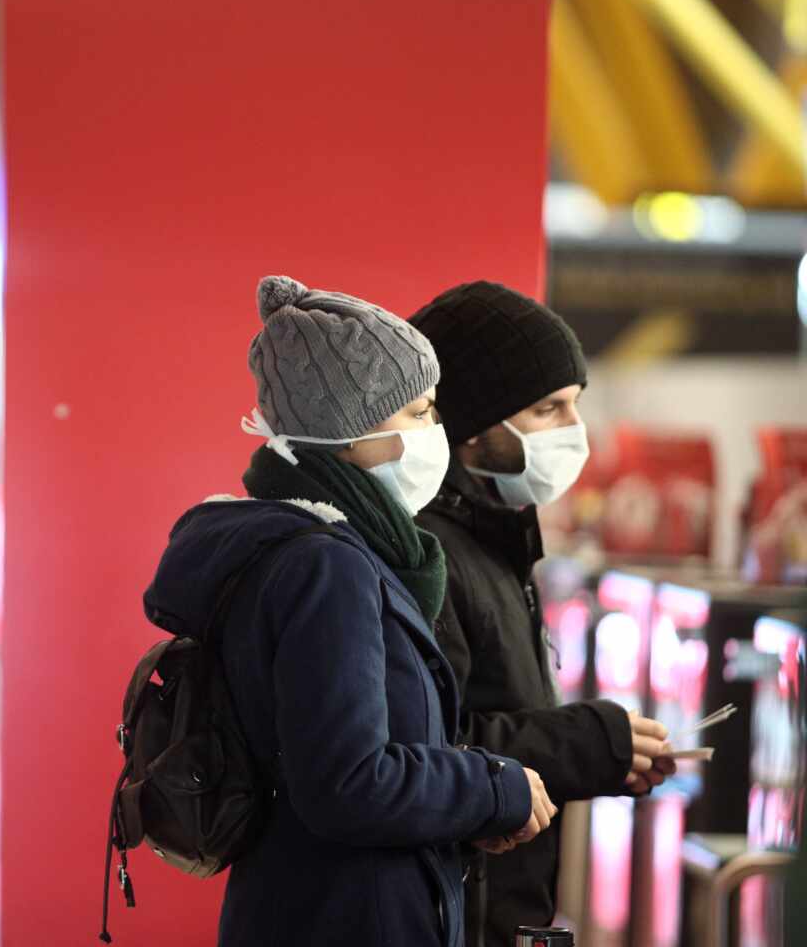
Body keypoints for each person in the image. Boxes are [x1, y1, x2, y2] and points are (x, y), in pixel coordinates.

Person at [142, 275, 556, 946]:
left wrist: (459, 810)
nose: (436, 430)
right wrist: (492, 784)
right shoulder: (325, 567)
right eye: (419, 410)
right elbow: (349, 782)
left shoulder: (300, 546)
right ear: (348, 429)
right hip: (344, 920)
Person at [408, 281, 677, 946]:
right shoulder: (429, 553)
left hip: (494, 909)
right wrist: (586, 742)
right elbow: (425, 748)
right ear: (475, 421)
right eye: (549, 408)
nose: (574, 432)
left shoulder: (492, 538)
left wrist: (601, 756)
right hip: (452, 914)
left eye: (575, 405)